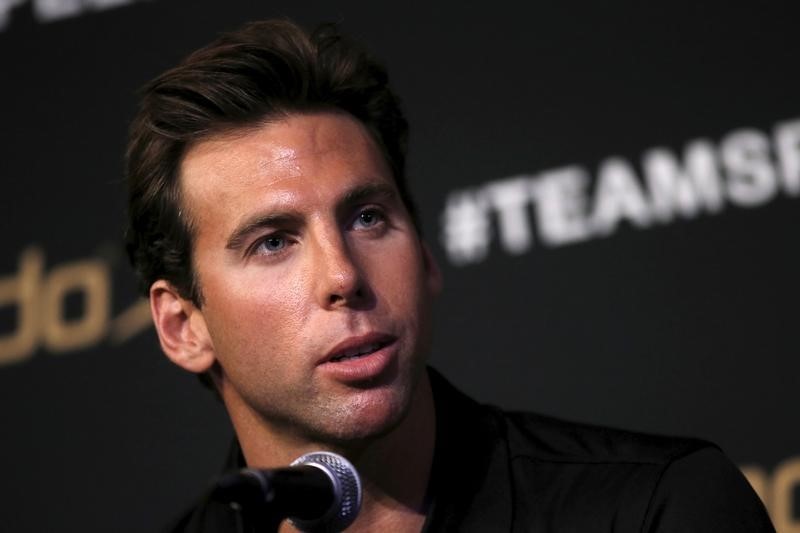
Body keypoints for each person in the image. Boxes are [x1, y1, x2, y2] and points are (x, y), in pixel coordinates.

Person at [125, 19, 775, 533]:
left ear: (425, 252)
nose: (343, 274)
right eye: (273, 242)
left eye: (369, 218)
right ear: (183, 326)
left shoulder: (655, 508)